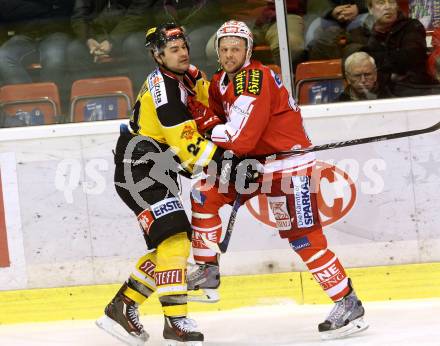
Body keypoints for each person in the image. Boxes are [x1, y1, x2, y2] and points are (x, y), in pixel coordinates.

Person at [186, 20, 369, 340]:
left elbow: (238, 138)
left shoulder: (256, 79)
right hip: (255, 165)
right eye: (224, 49)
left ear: (248, 51)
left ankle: (347, 301)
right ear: (218, 51)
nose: (229, 55)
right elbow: (217, 121)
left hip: (289, 167)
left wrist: (202, 126)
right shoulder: (221, 82)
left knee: (303, 238)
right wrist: (197, 109)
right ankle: (207, 270)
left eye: (236, 49)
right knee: (204, 192)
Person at [95, 22, 254, 346]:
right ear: (157, 55)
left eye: (183, 46)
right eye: (173, 49)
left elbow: (213, 107)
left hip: (156, 168)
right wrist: (230, 164)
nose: (182, 53)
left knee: (170, 244)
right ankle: (175, 321)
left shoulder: (185, 77)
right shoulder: (166, 94)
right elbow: (188, 146)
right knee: (176, 239)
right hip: (139, 168)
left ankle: (122, 306)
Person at [0, 0, 74, 111]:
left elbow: (66, 6)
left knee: (54, 60)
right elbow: (7, 10)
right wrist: (48, 6)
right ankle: (29, 109)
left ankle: (50, 110)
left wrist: (25, 9)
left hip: (55, 32)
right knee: (3, 56)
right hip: (23, 35)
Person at [67, 0, 154, 91]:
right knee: (75, 50)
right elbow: (79, 16)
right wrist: (89, 39)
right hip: (96, 38)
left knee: (133, 44)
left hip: (129, 33)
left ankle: (142, 96)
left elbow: (138, 14)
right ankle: (89, 98)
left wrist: (111, 41)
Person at [363, 0, 434, 96]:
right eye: (381, 2)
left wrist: (373, 60)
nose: (388, 7)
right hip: (376, 92)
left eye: (392, 2)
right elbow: (358, 62)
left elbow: (410, 57)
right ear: (370, 9)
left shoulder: (412, 26)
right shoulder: (362, 33)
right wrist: (389, 75)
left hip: (412, 89)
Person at [305, 0, 371, 59]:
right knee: (314, 31)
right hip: (330, 16)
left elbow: (377, 3)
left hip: (363, 12)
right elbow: (316, 6)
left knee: (367, 24)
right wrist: (332, 11)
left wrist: (358, 7)